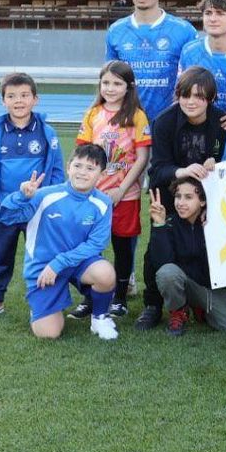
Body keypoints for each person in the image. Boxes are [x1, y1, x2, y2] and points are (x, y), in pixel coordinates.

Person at [0, 144, 118, 340]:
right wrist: (21, 197)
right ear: (68, 167)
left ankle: (100, 318)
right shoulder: (44, 195)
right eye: (78, 166)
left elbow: (96, 244)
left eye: (90, 168)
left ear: (101, 175)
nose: (82, 172)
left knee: (105, 273)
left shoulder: (103, 202)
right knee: (49, 333)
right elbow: (6, 217)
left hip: (77, 263)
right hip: (43, 267)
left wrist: (59, 263)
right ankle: (42, 306)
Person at [137, 67, 226, 330]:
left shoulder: (221, 122)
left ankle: (201, 297)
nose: (191, 101)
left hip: (208, 198)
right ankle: (153, 304)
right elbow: (157, 169)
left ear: (210, 99)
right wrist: (183, 171)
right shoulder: (164, 121)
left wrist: (216, 163)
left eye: (199, 96)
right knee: (157, 246)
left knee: (208, 246)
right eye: (185, 95)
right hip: (170, 194)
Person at [0, 73, 66, 320]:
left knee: (41, 255)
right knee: (0, 255)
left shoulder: (47, 133)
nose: (18, 101)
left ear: (35, 99)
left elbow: (57, 170)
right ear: (3, 101)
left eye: (24, 95)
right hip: (4, 208)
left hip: (36, 210)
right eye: (11, 96)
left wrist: (49, 200)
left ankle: (43, 297)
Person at [71, 61, 151, 318]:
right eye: (106, 83)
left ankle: (119, 297)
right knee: (89, 247)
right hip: (93, 196)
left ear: (129, 87)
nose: (111, 88)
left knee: (123, 246)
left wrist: (121, 188)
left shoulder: (137, 116)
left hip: (124, 195)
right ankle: (90, 296)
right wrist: (79, 184)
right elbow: (80, 152)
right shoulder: (93, 113)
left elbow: (141, 158)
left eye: (117, 83)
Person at [148, 178, 226, 336]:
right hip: (180, 282)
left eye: (188, 197)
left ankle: (202, 310)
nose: (181, 203)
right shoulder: (169, 223)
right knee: (167, 273)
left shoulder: (215, 223)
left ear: (203, 201)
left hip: (207, 288)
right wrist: (159, 226)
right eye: (178, 196)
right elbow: (161, 264)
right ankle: (178, 311)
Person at [104, 0, 197, 123]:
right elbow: (109, 78)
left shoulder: (184, 30)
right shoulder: (116, 31)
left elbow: (195, 79)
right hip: (128, 120)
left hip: (172, 121)